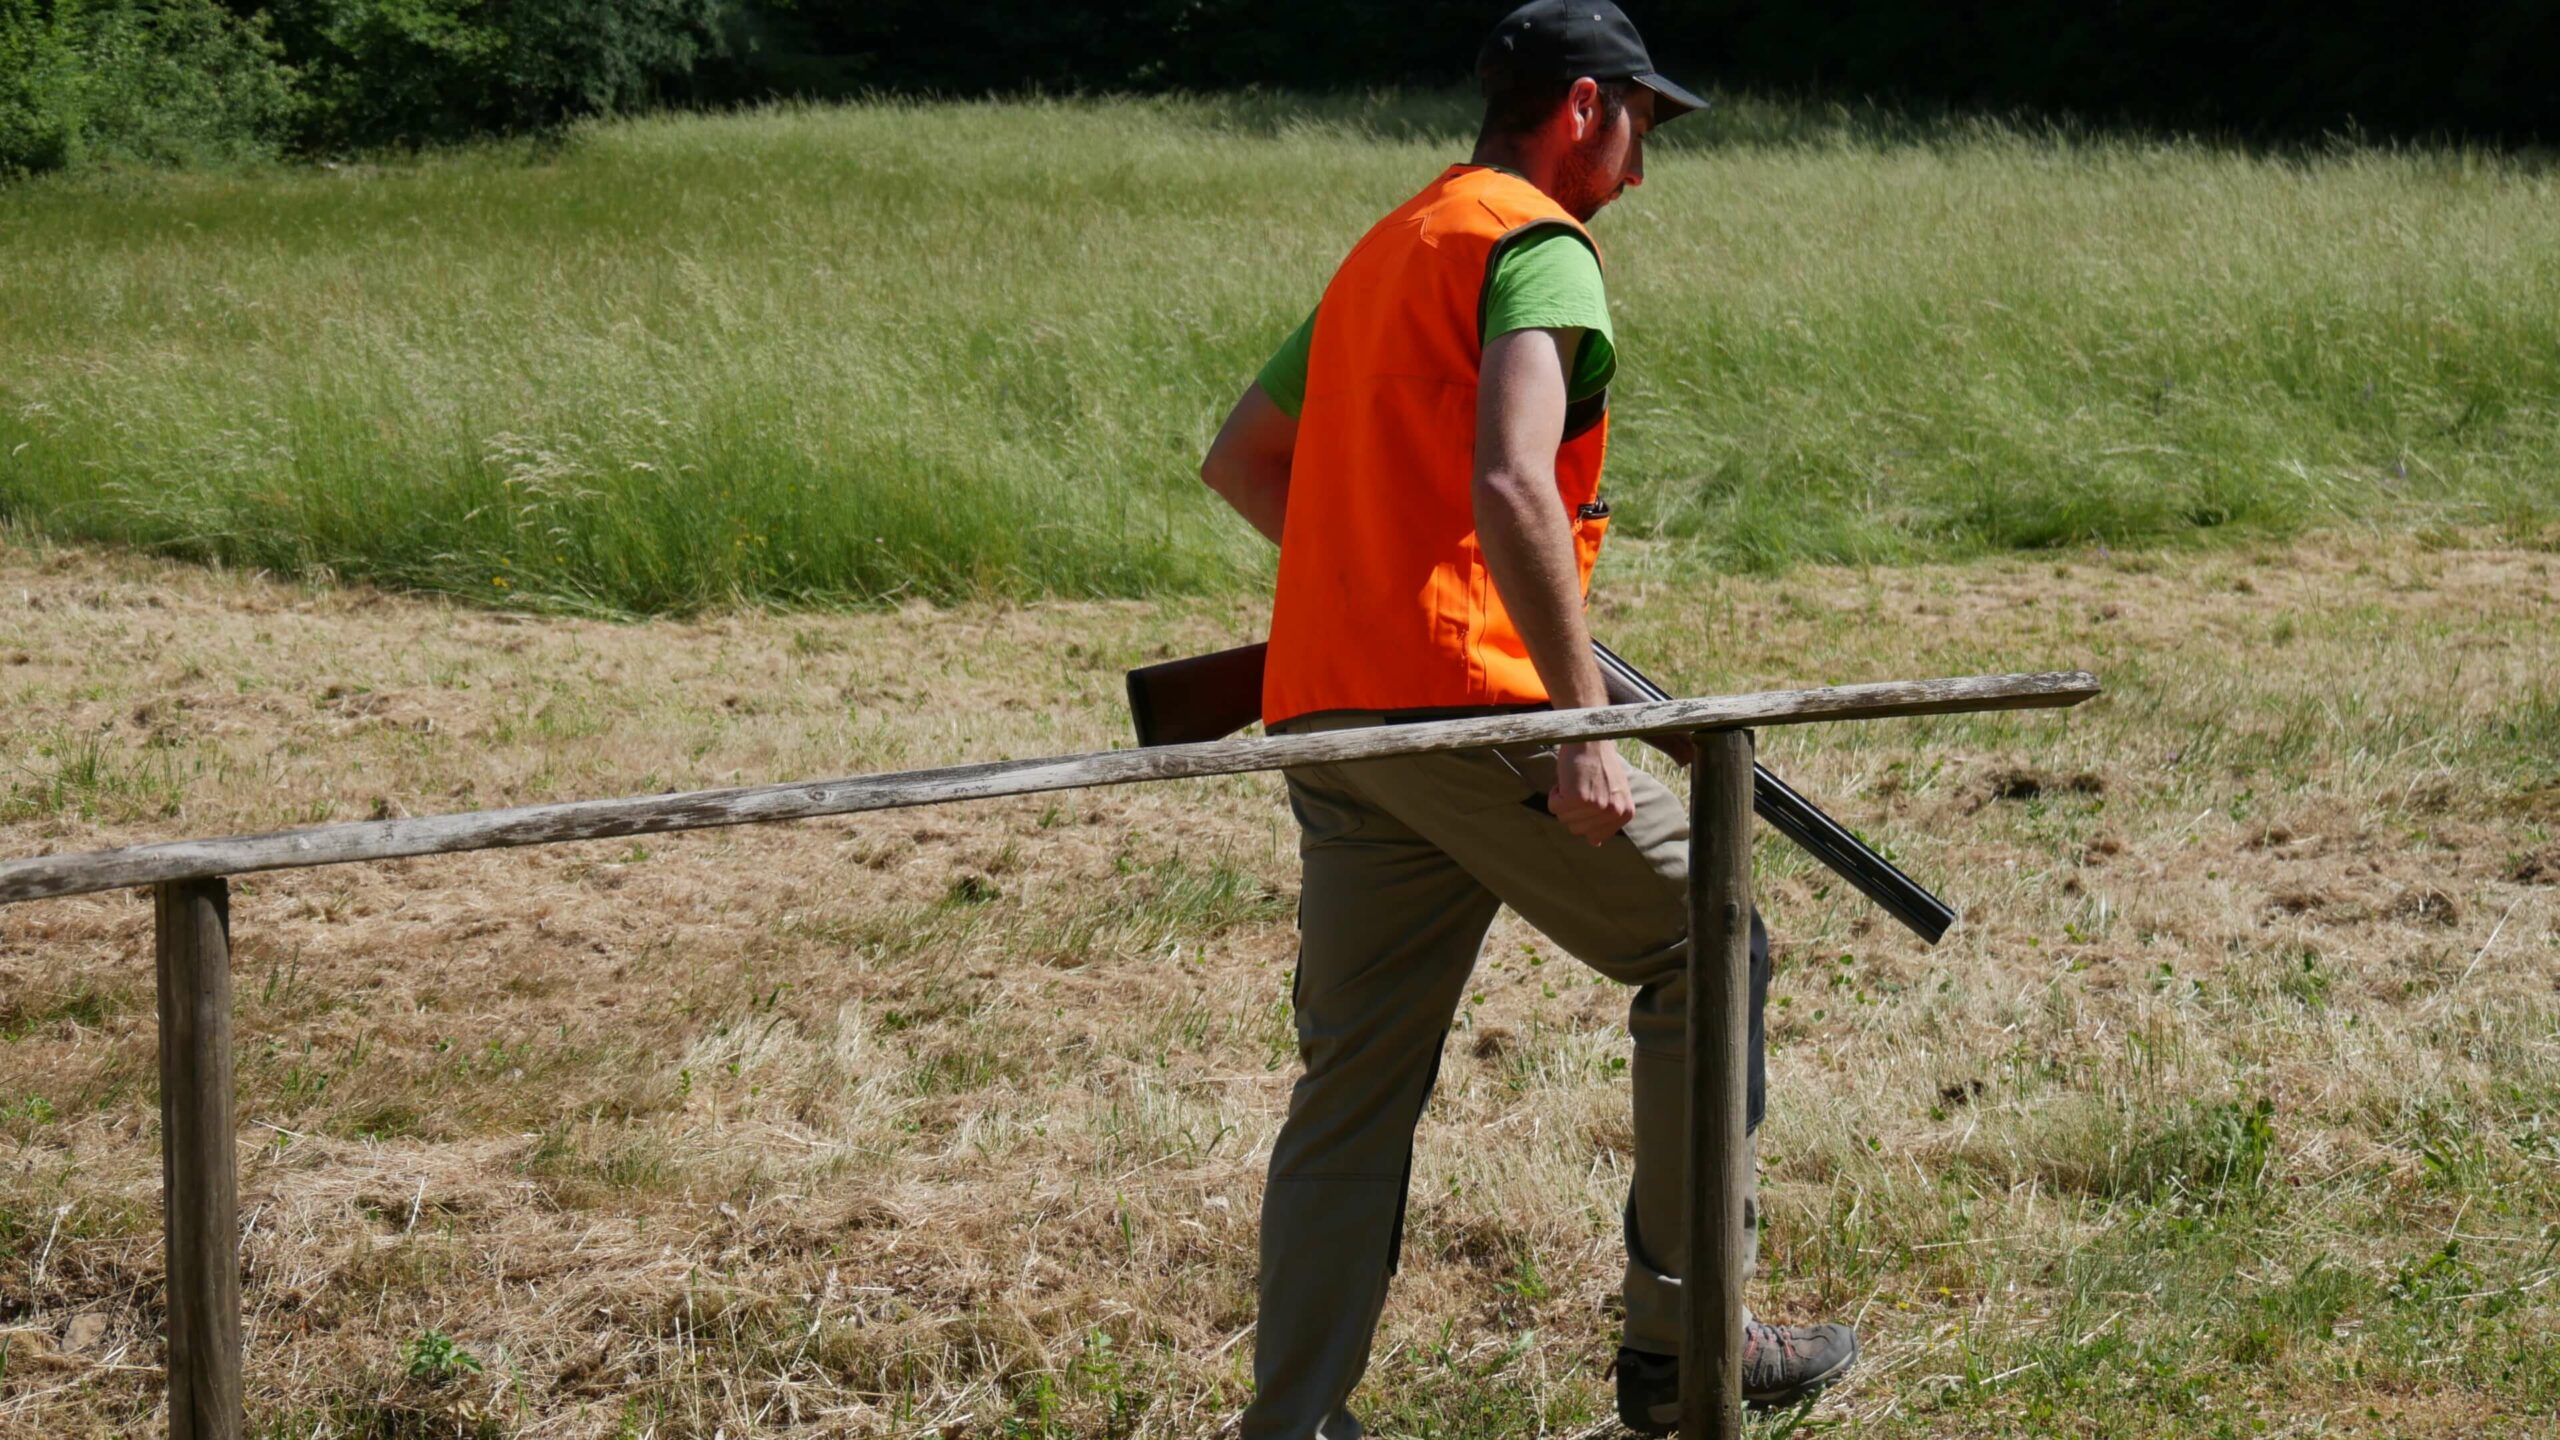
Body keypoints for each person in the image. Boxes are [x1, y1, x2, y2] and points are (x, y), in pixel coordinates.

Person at [1196, 3, 1858, 1435]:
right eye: (1643, 123)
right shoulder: (1536, 248)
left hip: (1335, 718)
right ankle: (1693, 1349)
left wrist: (1372, 584)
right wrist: (1578, 719)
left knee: (1353, 1089)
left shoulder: (1392, 245)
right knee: (1714, 940)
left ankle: (1295, 1422)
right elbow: (1509, 482)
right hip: (1467, 706)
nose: (1646, 157)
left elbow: (1244, 460)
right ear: (1580, 108)